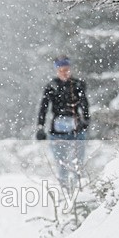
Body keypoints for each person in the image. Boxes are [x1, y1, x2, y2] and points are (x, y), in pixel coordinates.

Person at [36, 56, 91, 191]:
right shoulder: (51, 86)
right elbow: (43, 107)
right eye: (61, 70)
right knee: (61, 165)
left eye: (66, 70)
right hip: (57, 132)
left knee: (78, 164)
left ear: (70, 69)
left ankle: (80, 191)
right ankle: (65, 192)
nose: (64, 73)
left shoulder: (77, 84)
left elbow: (84, 104)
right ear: (56, 70)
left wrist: (86, 119)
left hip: (76, 131)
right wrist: (40, 127)